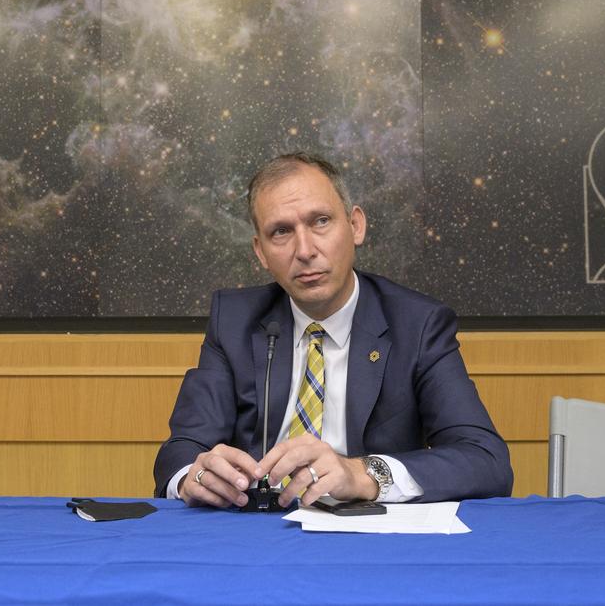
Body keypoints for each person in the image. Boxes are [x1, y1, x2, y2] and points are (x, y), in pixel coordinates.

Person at [154, 153, 512, 507]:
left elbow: (486, 461)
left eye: (320, 221)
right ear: (260, 252)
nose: (305, 250)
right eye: (281, 232)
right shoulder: (233, 320)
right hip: (255, 535)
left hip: (365, 537)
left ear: (355, 226)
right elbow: (183, 449)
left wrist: (362, 474)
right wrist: (193, 476)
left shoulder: (418, 325)